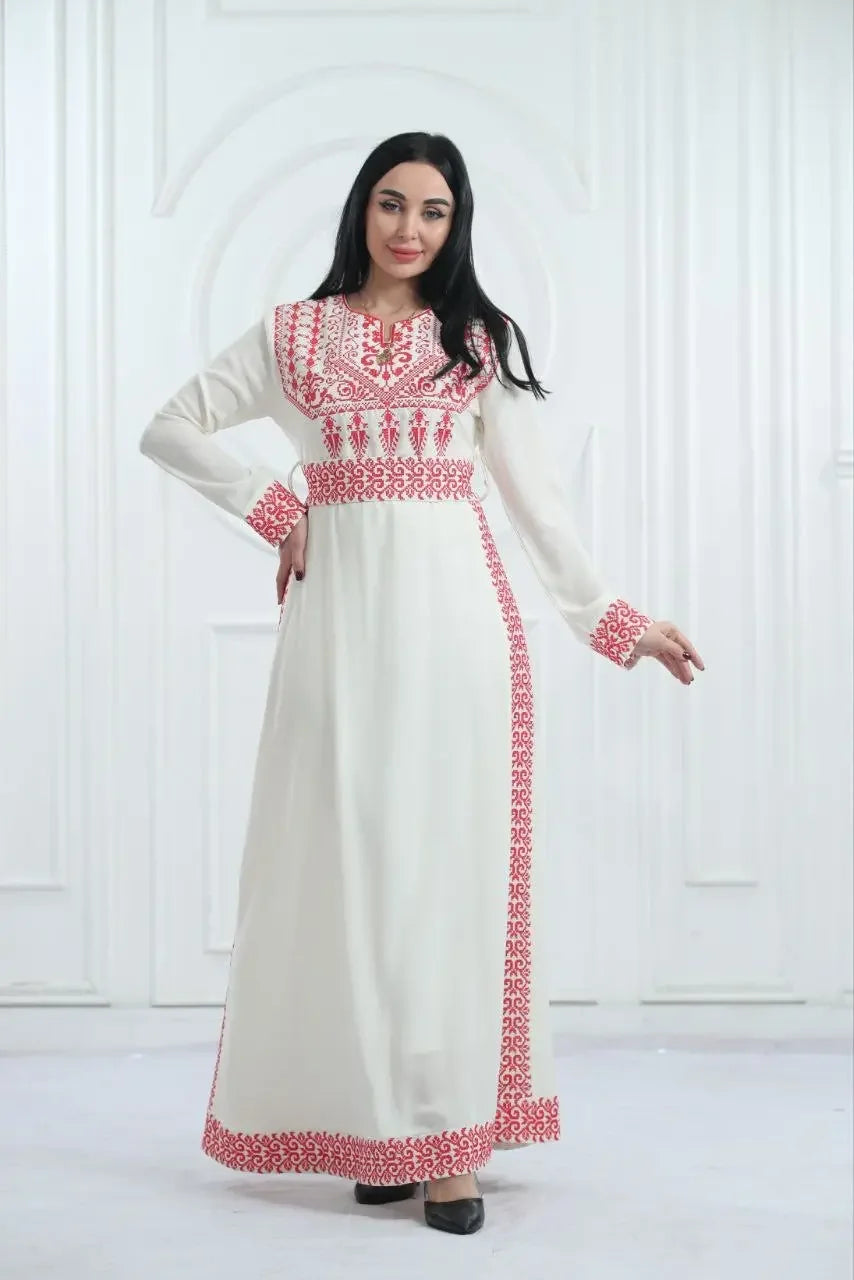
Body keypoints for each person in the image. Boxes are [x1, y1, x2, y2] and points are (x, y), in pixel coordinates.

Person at [139, 131, 703, 1237]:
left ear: (456, 225)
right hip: (335, 643)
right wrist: (278, 508)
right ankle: (378, 1126)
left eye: (434, 211)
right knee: (350, 876)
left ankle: (447, 1143)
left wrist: (618, 621)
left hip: (458, 642)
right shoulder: (293, 337)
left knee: (447, 881)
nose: (409, 228)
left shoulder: (474, 344)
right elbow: (171, 426)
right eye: (392, 203)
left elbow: (538, 509)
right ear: (361, 208)